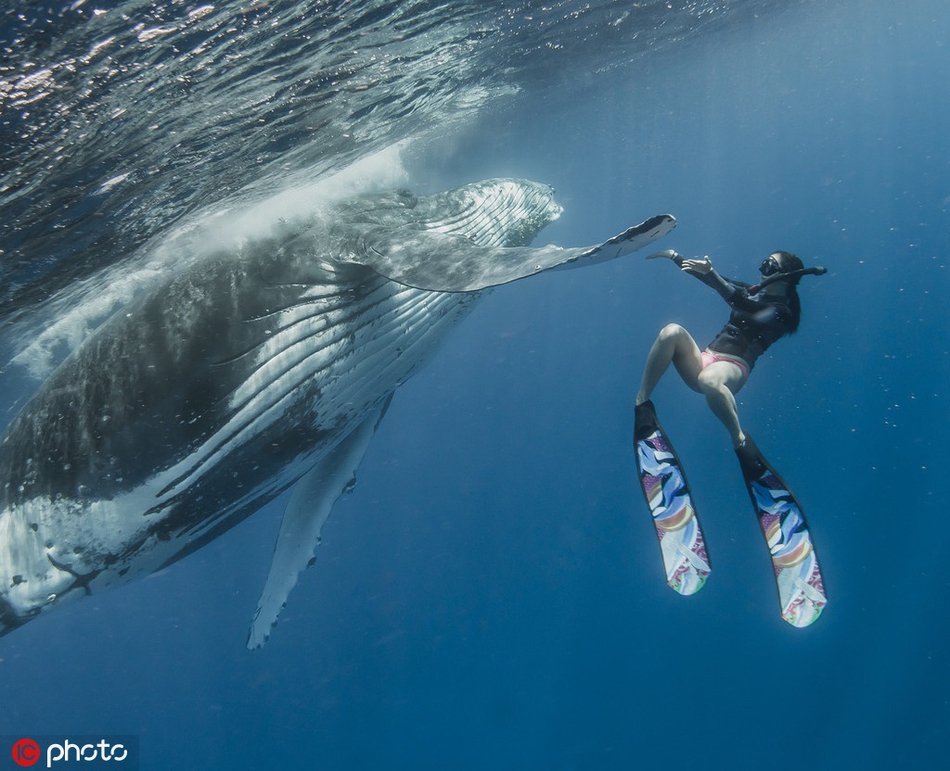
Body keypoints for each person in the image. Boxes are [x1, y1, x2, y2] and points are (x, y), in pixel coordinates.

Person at [634, 249, 813, 449]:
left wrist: (711, 274)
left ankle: (739, 439)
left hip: (733, 367)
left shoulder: (783, 313)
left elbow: (740, 302)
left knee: (709, 380)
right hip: (704, 359)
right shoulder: (752, 292)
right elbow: (714, 280)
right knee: (671, 331)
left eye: (769, 265)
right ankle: (642, 404)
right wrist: (674, 256)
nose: (762, 269)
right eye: (764, 263)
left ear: (785, 276)